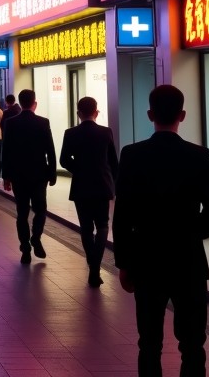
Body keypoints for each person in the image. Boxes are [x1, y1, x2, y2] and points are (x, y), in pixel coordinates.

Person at [113, 84, 209, 376]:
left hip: (146, 259)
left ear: (150, 114)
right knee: (193, 343)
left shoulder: (132, 155)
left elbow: (122, 215)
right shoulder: (198, 155)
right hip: (188, 260)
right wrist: (192, 233)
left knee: (149, 342)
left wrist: (124, 262)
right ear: (182, 115)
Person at [59, 95, 119, 287]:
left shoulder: (71, 133)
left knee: (86, 227)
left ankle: (92, 264)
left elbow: (64, 160)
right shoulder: (106, 132)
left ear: (78, 113)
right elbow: (113, 162)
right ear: (96, 112)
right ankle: (95, 268)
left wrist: (79, 170)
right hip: (102, 185)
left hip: (81, 186)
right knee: (102, 225)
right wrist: (114, 184)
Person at [1, 89, 56, 265]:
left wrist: (6, 176)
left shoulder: (10, 123)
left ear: (20, 102)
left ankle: (25, 248)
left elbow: (6, 151)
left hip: (18, 175)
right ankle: (36, 237)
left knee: (22, 212)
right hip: (39, 174)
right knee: (40, 209)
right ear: (35, 104)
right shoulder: (43, 122)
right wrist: (52, 173)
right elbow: (50, 150)